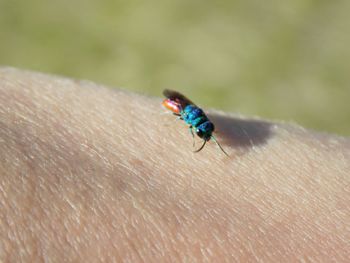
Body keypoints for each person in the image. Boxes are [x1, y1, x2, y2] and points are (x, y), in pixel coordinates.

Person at [1, 67, 349, 262]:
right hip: (181, 106)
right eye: (202, 134)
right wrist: (185, 116)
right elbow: (189, 114)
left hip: (188, 109)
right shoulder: (191, 117)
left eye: (204, 134)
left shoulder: (203, 123)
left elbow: (199, 119)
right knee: (175, 108)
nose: (204, 135)